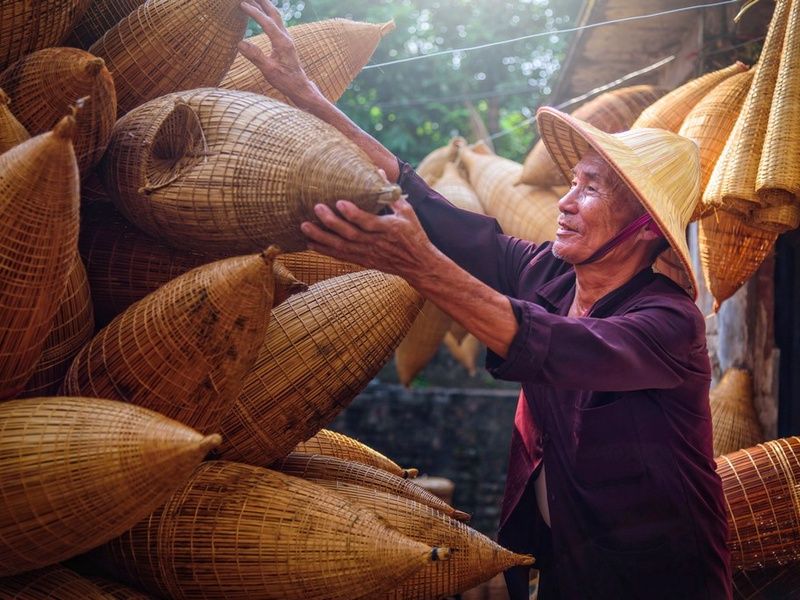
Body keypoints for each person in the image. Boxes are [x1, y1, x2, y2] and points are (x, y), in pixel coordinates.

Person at [237, 1, 732, 598]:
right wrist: (310, 97)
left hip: (660, 580)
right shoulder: (546, 273)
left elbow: (550, 344)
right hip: (564, 566)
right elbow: (422, 200)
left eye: (592, 189)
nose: (566, 202)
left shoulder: (666, 323)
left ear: (645, 228)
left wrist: (418, 265)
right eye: (571, 182)